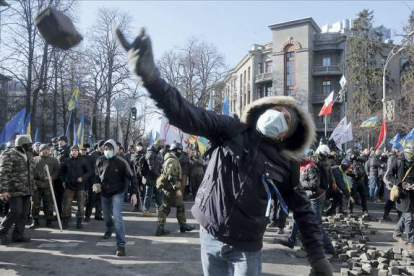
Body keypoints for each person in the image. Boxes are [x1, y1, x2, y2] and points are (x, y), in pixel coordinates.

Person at [116, 28, 332, 275]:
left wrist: (318, 258)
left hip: (247, 247)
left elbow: (303, 211)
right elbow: (188, 115)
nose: (277, 116)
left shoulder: (286, 164)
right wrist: (151, 79)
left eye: (284, 119)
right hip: (209, 233)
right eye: (276, 110)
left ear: (286, 134)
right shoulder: (232, 130)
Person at [277, 149, 335, 254]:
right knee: (296, 217)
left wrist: (299, 184)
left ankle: (329, 248)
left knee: (317, 224)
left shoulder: (311, 167)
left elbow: (314, 185)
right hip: (307, 197)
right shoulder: (301, 166)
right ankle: (291, 240)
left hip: (316, 198)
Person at [94, 139, 138, 256]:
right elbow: (96, 176)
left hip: (118, 192)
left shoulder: (122, 162)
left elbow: (133, 177)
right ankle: (109, 228)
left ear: (115, 150)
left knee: (117, 216)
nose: (107, 151)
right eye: (105, 149)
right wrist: (95, 184)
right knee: (106, 215)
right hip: (104, 192)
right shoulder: (99, 160)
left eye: (110, 149)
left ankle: (121, 245)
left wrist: (134, 193)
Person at [0, 135, 36, 245]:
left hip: (27, 189)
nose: (30, 147)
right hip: (14, 189)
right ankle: (1, 233)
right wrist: (3, 190)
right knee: (15, 211)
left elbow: (32, 171)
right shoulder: (9, 155)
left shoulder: (29, 155)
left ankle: (18, 235)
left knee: (24, 214)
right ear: (21, 145)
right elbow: (3, 173)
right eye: (28, 145)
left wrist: (44, 176)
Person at [155, 141, 195, 236]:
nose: (181, 152)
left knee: (165, 208)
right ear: (177, 150)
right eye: (180, 150)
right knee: (179, 206)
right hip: (172, 188)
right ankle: (183, 225)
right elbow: (171, 176)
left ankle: (160, 228)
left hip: (167, 188)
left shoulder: (169, 158)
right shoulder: (173, 160)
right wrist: (177, 189)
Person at [385, 140, 414, 251]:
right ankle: (411, 242)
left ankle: (397, 233)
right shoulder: (398, 161)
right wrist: (400, 183)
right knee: (409, 218)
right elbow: (389, 176)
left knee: (407, 215)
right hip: (402, 194)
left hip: (412, 193)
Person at [60, 146, 91, 229]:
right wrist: (63, 180)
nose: (74, 152)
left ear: (78, 152)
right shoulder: (66, 161)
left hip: (80, 187)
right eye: (72, 150)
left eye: (75, 150)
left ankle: (79, 222)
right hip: (69, 186)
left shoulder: (83, 161)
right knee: (66, 205)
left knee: (81, 206)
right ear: (70, 152)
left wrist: (82, 177)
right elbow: (61, 172)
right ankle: (65, 222)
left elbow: (89, 172)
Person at [31, 144, 60, 229]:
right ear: (40, 151)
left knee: (48, 203)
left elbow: (57, 171)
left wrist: (52, 177)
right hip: (36, 185)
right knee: (35, 203)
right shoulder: (34, 160)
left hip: (48, 185)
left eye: (47, 149)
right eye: (44, 149)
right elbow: (32, 172)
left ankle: (49, 220)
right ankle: (35, 220)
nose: (46, 151)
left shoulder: (54, 160)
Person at [315, 144, 341, 216]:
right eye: (323, 155)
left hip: (326, 183)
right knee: (321, 200)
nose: (324, 157)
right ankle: (319, 215)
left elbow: (330, 171)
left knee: (338, 195)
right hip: (318, 185)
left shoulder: (327, 159)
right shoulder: (315, 160)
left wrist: (333, 182)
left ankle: (328, 213)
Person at [143, 139, 163, 217]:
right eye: (160, 147)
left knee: (158, 193)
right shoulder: (151, 153)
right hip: (150, 177)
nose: (161, 149)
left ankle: (159, 208)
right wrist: (159, 176)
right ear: (158, 146)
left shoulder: (155, 153)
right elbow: (152, 168)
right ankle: (145, 210)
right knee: (149, 194)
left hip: (154, 177)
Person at [85, 140, 104, 221]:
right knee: (92, 199)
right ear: (99, 146)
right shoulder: (92, 155)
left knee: (100, 199)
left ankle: (98, 214)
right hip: (93, 180)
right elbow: (88, 168)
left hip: (102, 180)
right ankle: (87, 215)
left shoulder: (104, 155)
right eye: (103, 145)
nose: (104, 147)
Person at [53, 135, 71, 218]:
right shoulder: (55, 150)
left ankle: (66, 214)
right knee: (57, 197)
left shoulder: (69, 149)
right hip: (56, 177)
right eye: (59, 140)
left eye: (61, 140)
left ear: (65, 141)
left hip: (66, 177)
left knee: (67, 198)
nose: (59, 142)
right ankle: (58, 213)